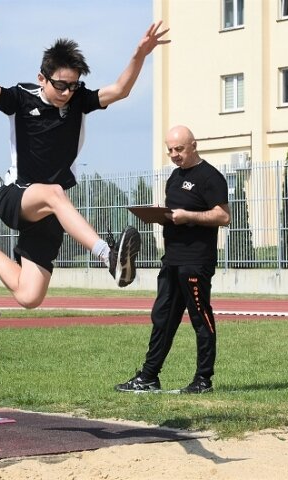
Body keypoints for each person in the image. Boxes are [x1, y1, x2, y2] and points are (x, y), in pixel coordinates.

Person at [0, 8, 170, 308]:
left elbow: (120, 90)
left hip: (50, 211)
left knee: (29, 296)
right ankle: (107, 256)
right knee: (55, 193)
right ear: (41, 78)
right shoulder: (21, 98)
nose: (68, 92)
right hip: (17, 196)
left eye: (73, 85)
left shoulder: (79, 100)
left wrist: (140, 54)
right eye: (61, 85)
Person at [116, 125, 231, 394]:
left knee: (200, 318)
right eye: (170, 150)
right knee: (162, 317)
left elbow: (223, 216)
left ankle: (203, 380)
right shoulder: (173, 177)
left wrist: (188, 216)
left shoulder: (210, 177)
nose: (174, 154)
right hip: (172, 260)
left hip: (196, 261)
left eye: (179, 149)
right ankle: (148, 377)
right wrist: (161, 214)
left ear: (194, 145)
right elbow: (176, 211)